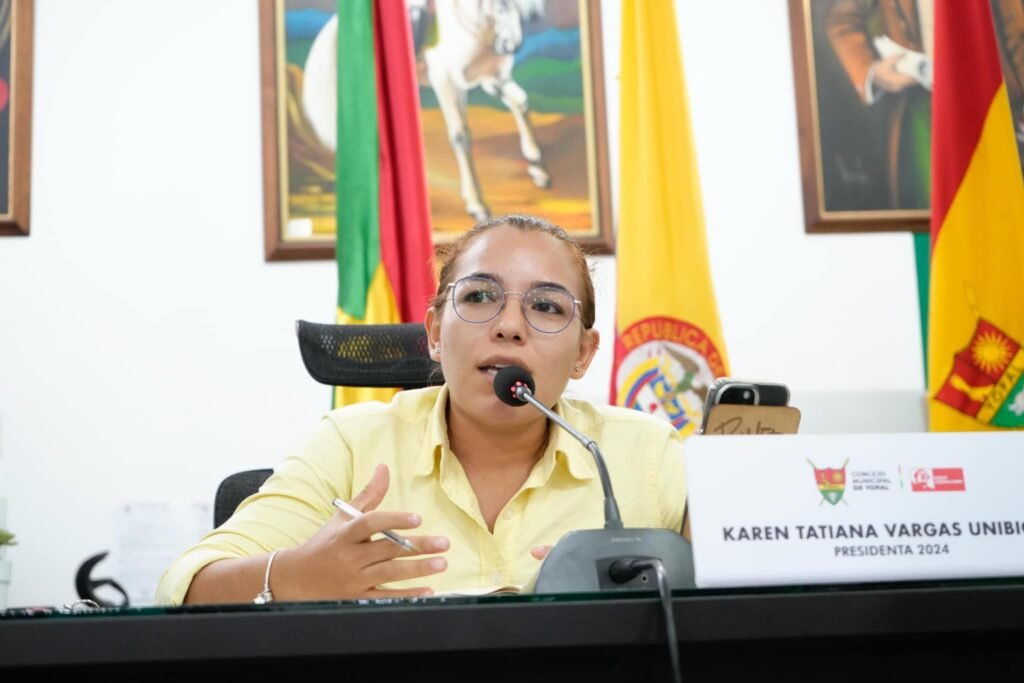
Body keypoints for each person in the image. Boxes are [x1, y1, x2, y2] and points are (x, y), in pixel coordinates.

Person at [156, 214, 686, 605]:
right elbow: (183, 587)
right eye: (479, 297)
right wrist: (296, 577)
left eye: (546, 306)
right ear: (434, 333)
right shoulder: (352, 445)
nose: (509, 326)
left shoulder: (645, 454)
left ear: (584, 355)